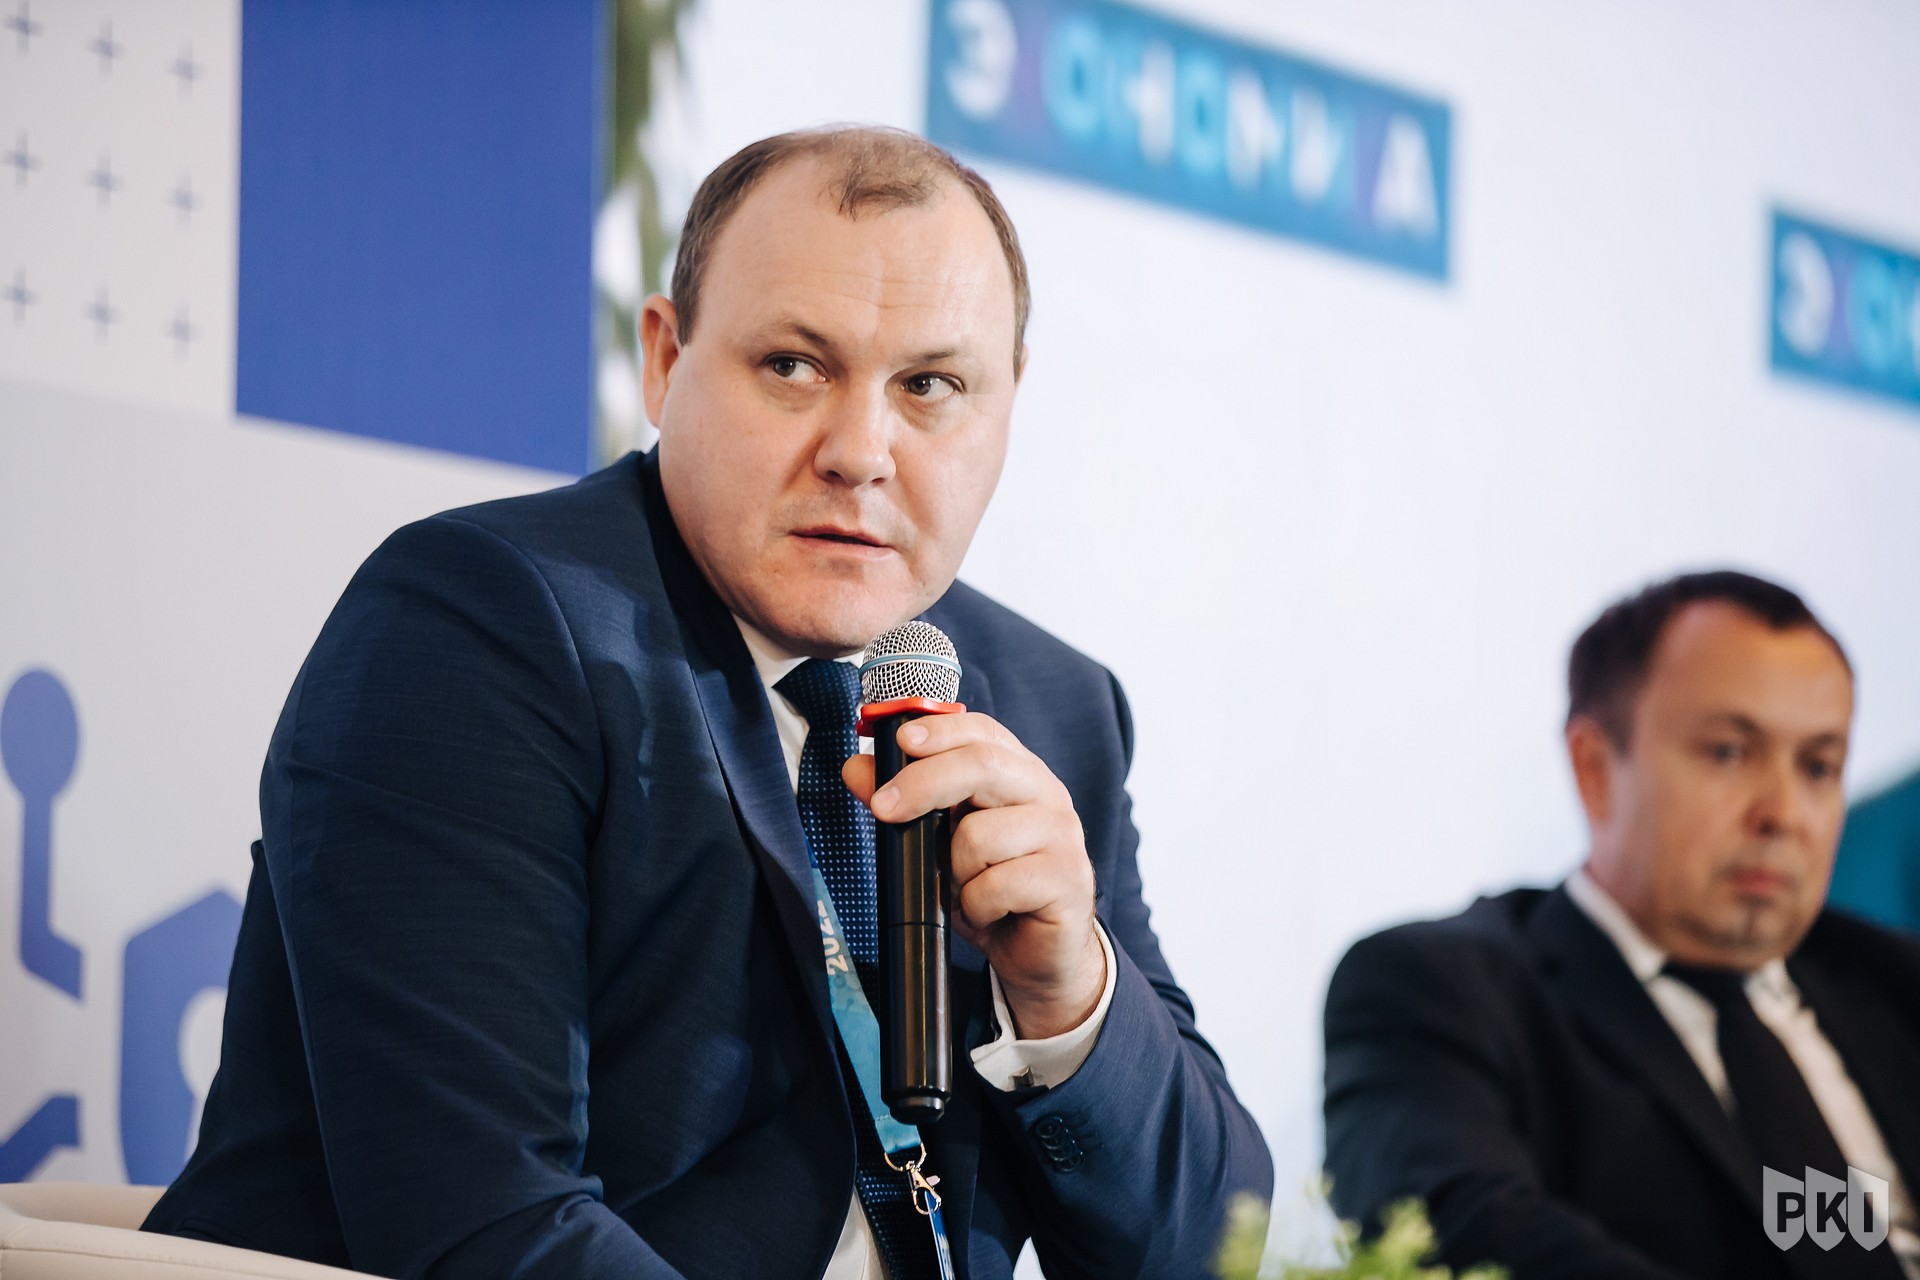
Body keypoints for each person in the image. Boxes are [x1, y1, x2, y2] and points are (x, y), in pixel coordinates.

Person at [142, 126, 1272, 1279]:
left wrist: (1066, 990)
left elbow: (1210, 1247)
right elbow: (487, 1224)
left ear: (1008, 401)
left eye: (930, 385)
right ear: (665, 360)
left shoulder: (1054, 705)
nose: (861, 451)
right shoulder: (478, 625)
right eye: (794, 365)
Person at [1323, 571, 1920, 1280]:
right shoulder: (1438, 992)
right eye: (1728, 753)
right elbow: (1458, 1230)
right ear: (1595, 768)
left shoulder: (1896, 982)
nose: (1783, 814)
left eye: (1819, 766)